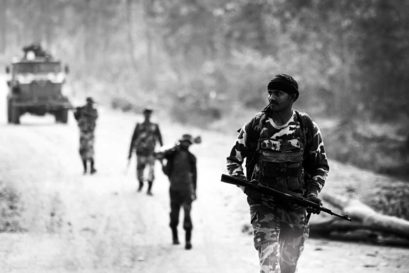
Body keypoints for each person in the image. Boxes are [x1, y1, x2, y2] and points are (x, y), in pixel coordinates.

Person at [226, 74, 329, 273]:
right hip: (263, 204)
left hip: (295, 204)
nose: (272, 97)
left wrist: (312, 194)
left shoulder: (306, 126)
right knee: (269, 262)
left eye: (278, 93)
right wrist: (245, 185)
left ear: (292, 97)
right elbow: (233, 160)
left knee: (289, 265)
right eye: (270, 93)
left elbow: (320, 166)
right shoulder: (256, 125)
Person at [156, 134, 197, 250]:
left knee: (186, 216)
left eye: (187, 143)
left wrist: (194, 191)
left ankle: (187, 241)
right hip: (176, 189)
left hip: (185, 190)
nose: (186, 145)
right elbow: (167, 170)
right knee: (175, 216)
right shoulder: (173, 155)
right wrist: (162, 162)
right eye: (185, 142)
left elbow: (195, 177)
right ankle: (175, 237)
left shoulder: (190, 158)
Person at [128, 108, 163, 195]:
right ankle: (140, 184)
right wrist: (130, 152)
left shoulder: (155, 126)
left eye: (149, 114)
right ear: (144, 115)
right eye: (146, 114)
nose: (147, 116)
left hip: (151, 152)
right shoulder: (139, 125)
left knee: (151, 171)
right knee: (140, 170)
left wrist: (163, 152)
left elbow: (160, 139)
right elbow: (133, 139)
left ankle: (149, 189)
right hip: (140, 152)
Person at [74, 97, 98, 175]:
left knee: (88, 151)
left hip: (89, 133)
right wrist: (77, 111)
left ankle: (91, 168)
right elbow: (77, 118)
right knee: (83, 151)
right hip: (84, 133)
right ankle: (86, 169)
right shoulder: (83, 110)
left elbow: (94, 116)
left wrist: (82, 112)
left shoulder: (93, 111)